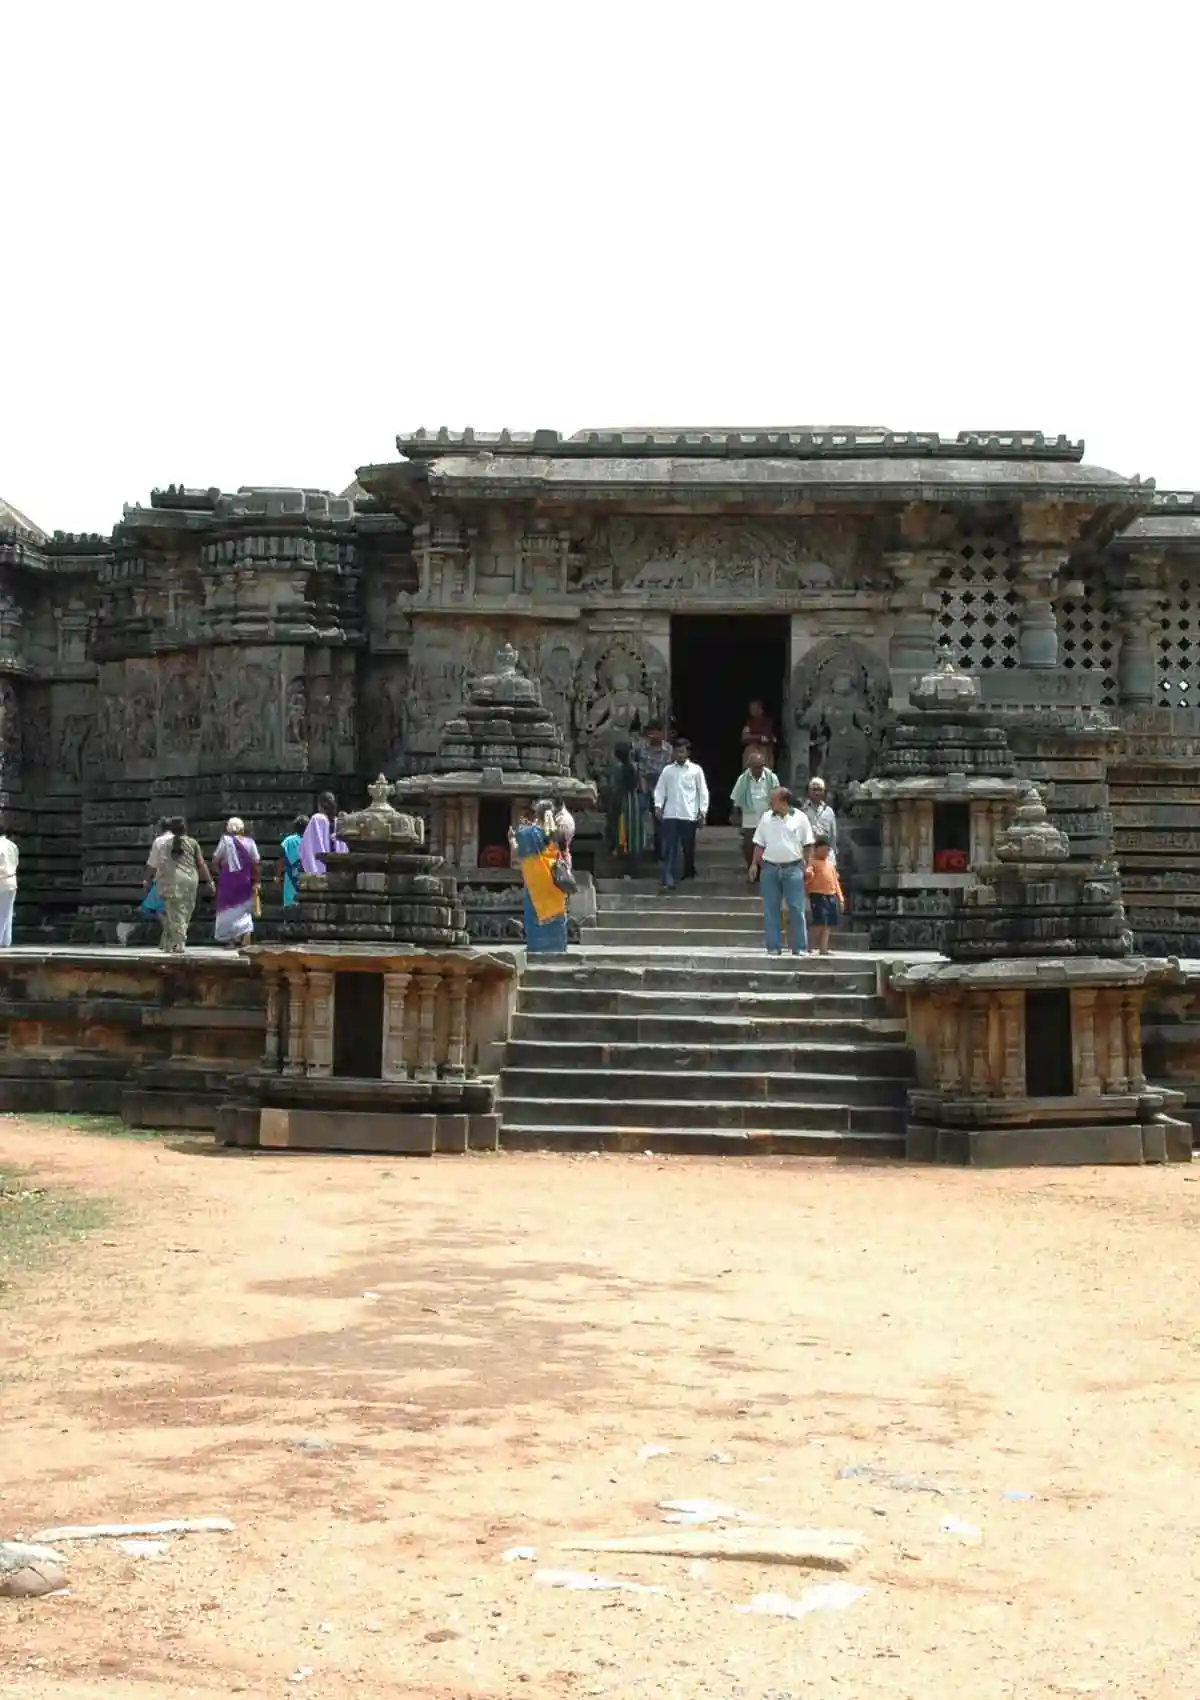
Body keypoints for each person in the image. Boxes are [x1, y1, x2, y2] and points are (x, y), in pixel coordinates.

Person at [751, 786, 815, 956]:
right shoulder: (766, 818)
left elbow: (808, 844)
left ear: (783, 802)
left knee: (796, 909)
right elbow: (759, 843)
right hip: (770, 868)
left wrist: (808, 866)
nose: (770, 802)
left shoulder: (800, 818)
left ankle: (800, 947)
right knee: (771, 909)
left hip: (793, 868)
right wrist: (754, 864)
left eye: (773, 800)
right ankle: (773, 947)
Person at [145, 817, 214, 954]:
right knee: (185, 911)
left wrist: (152, 880)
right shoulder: (193, 843)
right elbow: (201, 864)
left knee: (174, 912)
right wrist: (210, 881)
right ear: (185, 829)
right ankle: (174, 942)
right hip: (190, 879)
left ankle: (179, 942)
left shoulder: (166, 844)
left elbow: (160, 864)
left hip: (173, 879)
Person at [508, 800, 568, 953]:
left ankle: (537, 947)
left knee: (536, 915)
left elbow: (517, 852)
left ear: (536, 814)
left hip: (536, 883)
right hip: (556, 882)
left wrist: (512, 839)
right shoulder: (558, 833)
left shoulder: (526, 833)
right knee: (556, 915)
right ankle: (557, 948)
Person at [653, 737, 709, 893]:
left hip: (689, 814)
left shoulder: (696, 770)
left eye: (682, 751)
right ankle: (669, 878)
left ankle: (688, 872)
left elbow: (702, 792)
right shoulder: (667, 770)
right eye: (677, 751)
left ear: (687, 753)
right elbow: (660, 790)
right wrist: (658, 806)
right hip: (670, 814)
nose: (679, 754)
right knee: (670, 847)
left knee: (688, 847)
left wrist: (702, 811)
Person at [211, 816, 261, 946]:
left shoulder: (225, 841)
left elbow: (215, 861)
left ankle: (231, 941)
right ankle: (246, 934)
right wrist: (256, 881)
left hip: (228, 880)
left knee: (227, 910)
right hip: (245, 879)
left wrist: (218, 873)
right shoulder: (250, 842)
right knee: (244, 909)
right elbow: (256, 863)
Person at [729, 746, 780, 870]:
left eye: (761, 766)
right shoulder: (743, 779)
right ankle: (751, 867)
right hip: (749, 815)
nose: (758, 769)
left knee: (767, 844)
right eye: (755, 767)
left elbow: (778, 795)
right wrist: (735, 814)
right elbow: (736, 797)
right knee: (748, 844)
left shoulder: (771, 777)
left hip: (767, 814)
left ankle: (764, 868)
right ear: (750, 767)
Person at [635, 722, 672, 860]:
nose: (652, 736)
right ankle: (639, 848)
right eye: (649, 733)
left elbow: (669, 772)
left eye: (654, 732)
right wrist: (643, 786)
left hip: (662, 786)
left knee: (660, 821)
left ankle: (660, 852)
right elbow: (640, 769)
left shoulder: (668, 750)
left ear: (661, 733)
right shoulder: (642, 748)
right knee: (641, 815)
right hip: (646, 784)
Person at [607, 742, 645, 865]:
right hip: (632, 802)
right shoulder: (634, 767)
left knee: (619, 830)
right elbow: (640, 787)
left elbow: (613, 786)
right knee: (633, 832)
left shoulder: (616, 768)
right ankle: (633, 861)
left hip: (619, 800)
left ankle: (619, 855)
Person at [805, 836, 844, 956]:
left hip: (831, 895)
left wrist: (840, 898)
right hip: (818, 895)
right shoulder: (812, 862)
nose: (826, 853)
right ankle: (809, 946)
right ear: (816, 849)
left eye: (828, 850)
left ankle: (824, 948)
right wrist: (809, 874)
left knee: (829, 924)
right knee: (819, 922)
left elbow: (835, 882)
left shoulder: (830, 865)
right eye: (824, 850)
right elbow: (808, 876)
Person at [299, 792, 347, 876]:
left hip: (319, 867)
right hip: (337, 869)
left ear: (320, 805)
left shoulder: (317, 819)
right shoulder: (339, 821)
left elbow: (307, 845)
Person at [140, 816, 169, 936]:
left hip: (163, 879)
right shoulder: (181, 840)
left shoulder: (159, 841)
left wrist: (146, 879)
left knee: (157, 907)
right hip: (182, 878)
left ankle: (169, 933)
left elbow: (152, 863)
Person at [801, 776, 839, 863]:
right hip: (809, 856)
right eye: (814, 789)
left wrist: (833, 859)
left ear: (824, 792)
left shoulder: (829, 811)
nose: (817, 792)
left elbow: (833, 837)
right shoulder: (802, 811)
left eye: (820, 789)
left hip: (826, 857)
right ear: (808, 791)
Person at [278, 814, 307, 908]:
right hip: (307, 880)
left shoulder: (288, 841)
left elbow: (281, 860)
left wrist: (277, 876)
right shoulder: (310, 841)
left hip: (291, 880)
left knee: (289, 910)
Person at [740, 699, 777, 769]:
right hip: (751, 753)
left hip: (764, 752)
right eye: (750, 708)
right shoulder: (749, 722)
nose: (751, 710)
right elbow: (744, 737)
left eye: (754, 708)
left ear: (760, 709)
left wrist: (764, 738)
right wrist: (759, 737)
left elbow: (770, 738)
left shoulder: (768, 722)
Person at [0, 821, 18, 948]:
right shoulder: (12, 846)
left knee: (1, 914)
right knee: (7, 912)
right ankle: (6, 940)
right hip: (11, 880)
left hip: (1, 880)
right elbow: (15, 862)